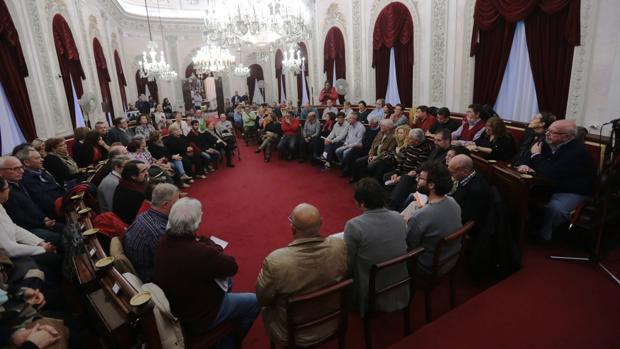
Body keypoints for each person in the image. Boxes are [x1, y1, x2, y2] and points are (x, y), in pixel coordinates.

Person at [153, 198, 259, 346]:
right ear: (196, 223)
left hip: (178, 306)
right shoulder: (198, 252)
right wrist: (210, 244)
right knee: (254, 302)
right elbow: (232, 267)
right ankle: (230, 342)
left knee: (228, 282)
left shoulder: (162, 242)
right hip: (199, 318)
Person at [256, 203, 347, 347]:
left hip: (292, 333)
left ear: (292, 228)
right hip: (332, 321)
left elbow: (263, 299)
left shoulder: (276, 261)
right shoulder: (340, 246)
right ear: (321, 223)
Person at [517, 120, 596, 241]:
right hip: (549, 185)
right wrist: (524, 165)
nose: (547, 134)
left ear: (566, 137)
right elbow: (527, 155)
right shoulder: (547, 142)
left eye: (552, 132)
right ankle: (524, 228)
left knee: (555, 208)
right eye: (547, 130)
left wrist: (536, 156)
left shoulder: (577, 152)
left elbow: (550, 173)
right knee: (520, 192)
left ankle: (544, 236)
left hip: (571, 190)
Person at [344, 178, 409, 316]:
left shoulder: (353, 225)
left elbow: (348, 264)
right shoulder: (398, 217)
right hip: (399, 280)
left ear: (361, 203)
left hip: (371, 286)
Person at [406, 161, 462, 275]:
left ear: (431, 185)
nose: (417, 180)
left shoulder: (420, 216)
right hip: (451, 258)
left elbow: (409, 246)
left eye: (420, 178)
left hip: (427, 266)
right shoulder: (453, 201)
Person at [124, 183, 180, 282]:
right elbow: (174, 263)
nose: (180, 204)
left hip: (142, 267)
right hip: (152, 278)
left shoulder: (142, 216)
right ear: (166, 204)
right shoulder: (159, 232)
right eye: (177, 201)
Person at [16, 149, 65, 218]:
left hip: (63, 203)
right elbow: (45, 203)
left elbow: (57, 188)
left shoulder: (41, 171)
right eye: (37, 158)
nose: (42, 159)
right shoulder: (26, 180)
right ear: (26, 162)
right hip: (55, 213)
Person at [448, 155, 492, 230]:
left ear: (465, 172)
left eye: (452, 172)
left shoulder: (476, 190)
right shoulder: (464, 177)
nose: (450, 175)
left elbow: (467, 219)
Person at [113, 160, 148, 224]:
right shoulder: (135, 194)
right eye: (143, 171)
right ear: (133, 176)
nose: (147, 173)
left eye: (146, 170)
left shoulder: (123, 183)